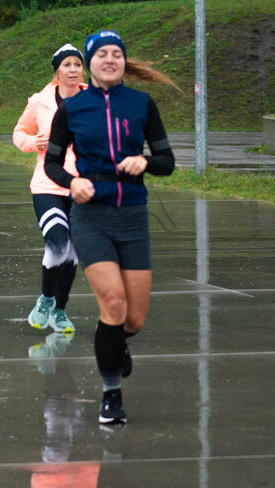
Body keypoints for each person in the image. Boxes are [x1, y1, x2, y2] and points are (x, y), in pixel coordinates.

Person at [43, 29, 176, 425]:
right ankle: (111, 394)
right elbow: (51, 162)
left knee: (132, 320)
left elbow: (166, 160)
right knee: (113, 304)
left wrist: (146, 163)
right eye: (102, 54)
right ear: (90, 62)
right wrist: (72, 183)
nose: (110, 59)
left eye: (117, 53)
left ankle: (116, 341)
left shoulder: (141, 104)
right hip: (91, 217)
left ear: (123, 62)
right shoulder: (73, 108)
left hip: (133, 215)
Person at [13, 43, 87, 336]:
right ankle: (46, 299)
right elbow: (19, 132)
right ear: (57, 70)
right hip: (47, 183)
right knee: (58, 243)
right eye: (67, 64)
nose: (72, 69)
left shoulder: (93, 101)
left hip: (82, 185)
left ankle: (60, 310)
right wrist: (35, 143)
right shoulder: (39, 101)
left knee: (74, 250)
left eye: (77, 64)